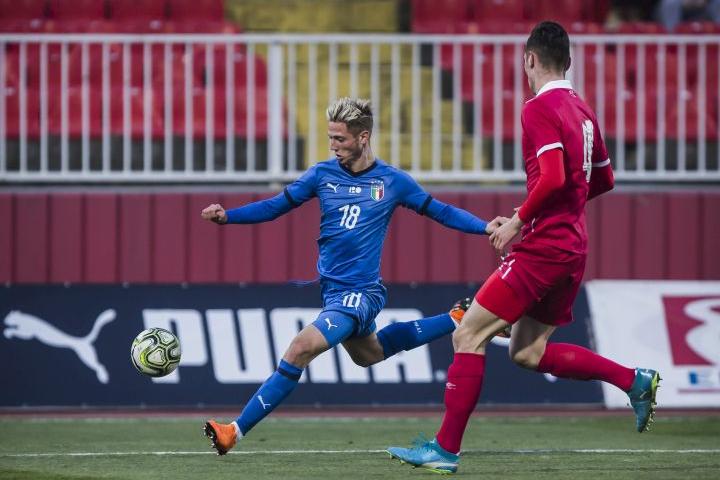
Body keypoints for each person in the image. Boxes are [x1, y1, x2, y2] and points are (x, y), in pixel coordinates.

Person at [387, 22, 660, 474]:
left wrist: (518, 220)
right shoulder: (583, 110)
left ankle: (444, 450)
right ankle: (634, 381)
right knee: (527, 352)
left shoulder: (538, 108)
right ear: (568, 62)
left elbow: (552, 177)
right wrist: (549, 210)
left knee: (468, 333)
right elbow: (603, 180)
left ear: (528, 60)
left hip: (544, 247)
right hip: (572, 246)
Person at [199, 97, 505, 455]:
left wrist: (484, 227)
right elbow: (275, 206)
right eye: (330, 138)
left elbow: (440, 211)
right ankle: (458, 317)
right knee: (369, 354)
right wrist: (228, 216)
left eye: (340, 139)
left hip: (361, 293)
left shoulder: (393, 182)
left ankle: (233, 431)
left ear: (363, 137)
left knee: (300, 349)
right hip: (334, 293)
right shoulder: (321, 175)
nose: (333, 146)